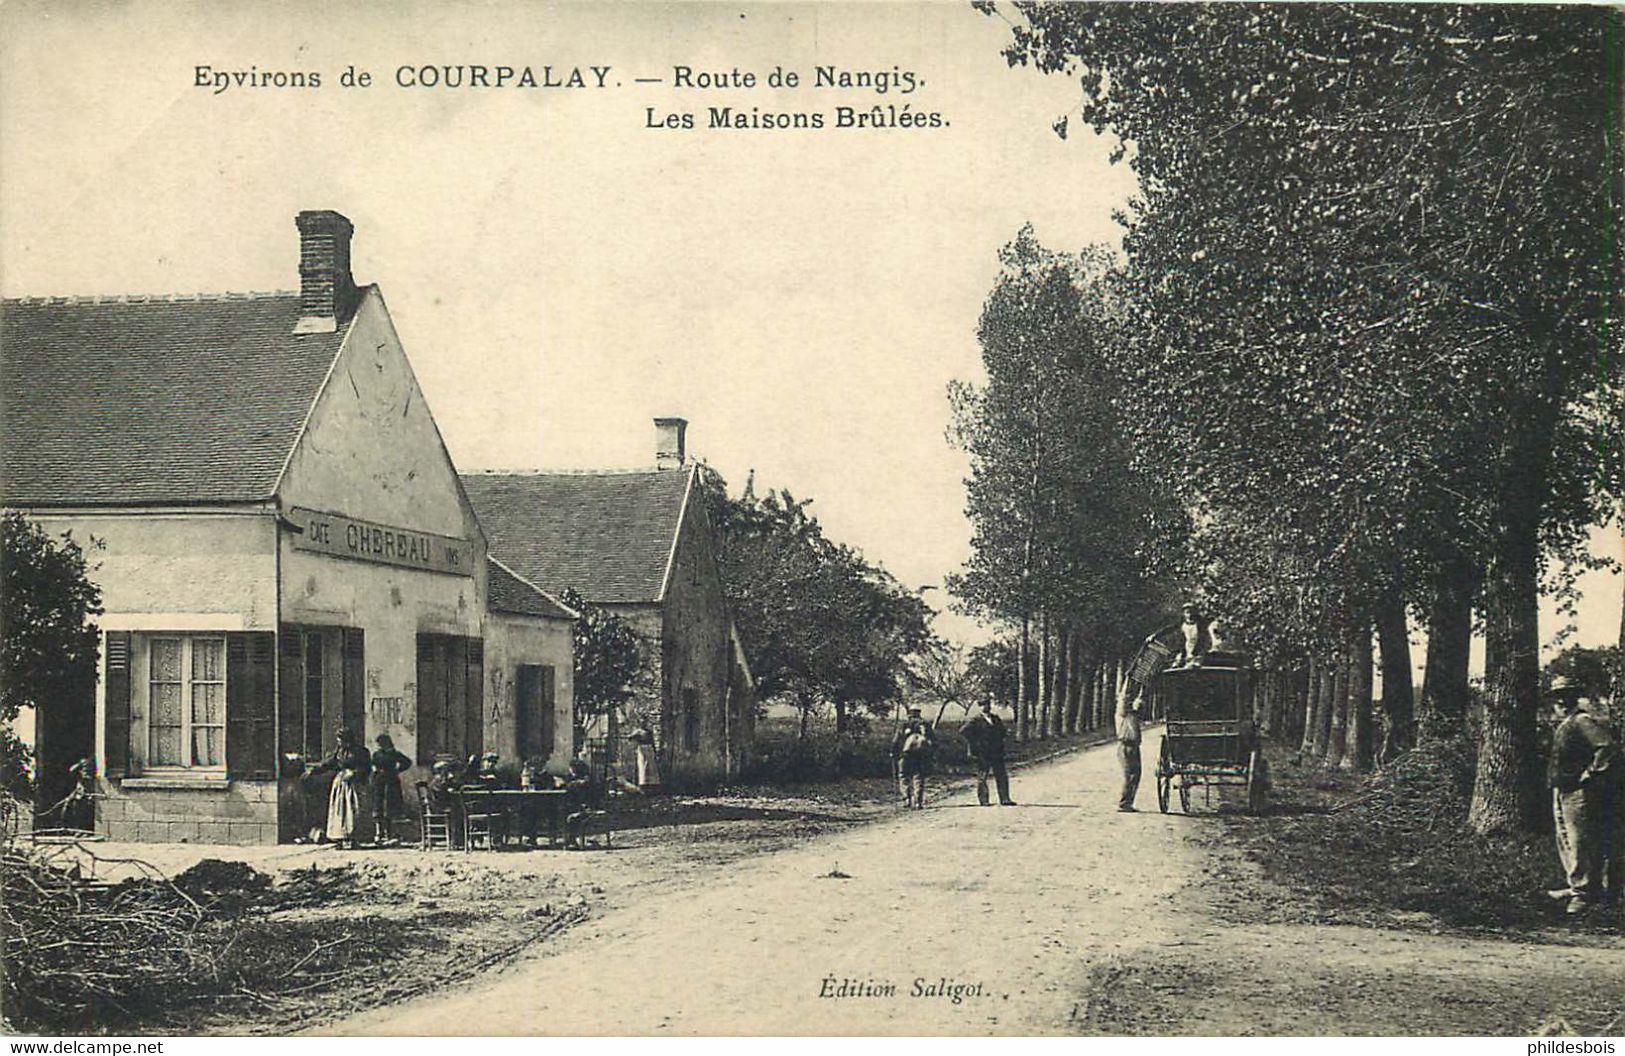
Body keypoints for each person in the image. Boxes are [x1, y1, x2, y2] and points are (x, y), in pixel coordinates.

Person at [1547, 676, 1621, 916]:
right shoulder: (1565, 723)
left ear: (1574, 697)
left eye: (1566, 696)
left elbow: (1606, 746)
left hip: (1579, 792)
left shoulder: (1581, 720)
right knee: (1565, 838)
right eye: (1557, 697)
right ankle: (1576, 885)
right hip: (1562, 788)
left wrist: (1590, 773)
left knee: (1580, 840)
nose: (1561, 701)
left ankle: (1584, 894)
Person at [309, 728, 371, 848]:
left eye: (341, 740)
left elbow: (367, 767)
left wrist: (355, 773)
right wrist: (315, 770)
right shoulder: (339, 752)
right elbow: (330, 763)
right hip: (341, 784)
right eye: (338, 740)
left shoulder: (361, 751)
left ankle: (355, 838)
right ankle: (341, 837)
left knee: (353, 810)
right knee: (340, 811)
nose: (339, 742)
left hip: (355, 784)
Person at [962, 698, 1015, 806]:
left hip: (996, 751)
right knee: (983, 776)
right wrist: (975, 743)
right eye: (983, 705)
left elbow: (1002, 731)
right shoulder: (975, 720)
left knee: (1001, 775)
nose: (986, 707)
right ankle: (984, 800)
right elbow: (964, 731)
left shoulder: (995, 718)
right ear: (979, 707)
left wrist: (1005, 734)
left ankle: (1005, 799)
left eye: (987, 704)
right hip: (983, 753)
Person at [369, 734, 412, 846]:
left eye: (380, 743)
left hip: (391, 782)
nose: (378, 746)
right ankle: (378, 834)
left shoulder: (394, 754)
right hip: (378, 782)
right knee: (377, 807)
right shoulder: (376, 754)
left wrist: (397, 770)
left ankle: (389, 834)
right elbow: (372, 765)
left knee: (389, 808)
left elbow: (407, 762)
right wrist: (374, 770)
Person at [891, 706, 936, 810]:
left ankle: (907, 799)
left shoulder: (904, 725)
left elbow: (896, 740)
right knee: (919, 777)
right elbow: (933, 741)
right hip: (921, 755)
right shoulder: (925, 725)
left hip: (905, 754)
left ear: (909, 713)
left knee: (903, 776)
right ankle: (918, 801)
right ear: (919, 713)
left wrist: (893, 752)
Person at [1116, 678, 1143, 812]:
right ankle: (1124, 803)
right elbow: (1123, 697)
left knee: (1136, 774)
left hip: (1133, 746)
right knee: (1130, 774)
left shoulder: (1133, 714)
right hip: (1126, 746)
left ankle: (1128, 803)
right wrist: (1128, 679)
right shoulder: (1123, 712)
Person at [561, 755, 596, 850]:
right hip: (574, 806)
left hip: (584, 808)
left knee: (571, 817)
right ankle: (568, 840)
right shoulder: (570, 778)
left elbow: (587, 797)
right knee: (562, 813)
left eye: (572, 768)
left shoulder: (584, 782)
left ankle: (571, 840)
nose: (571, 770)